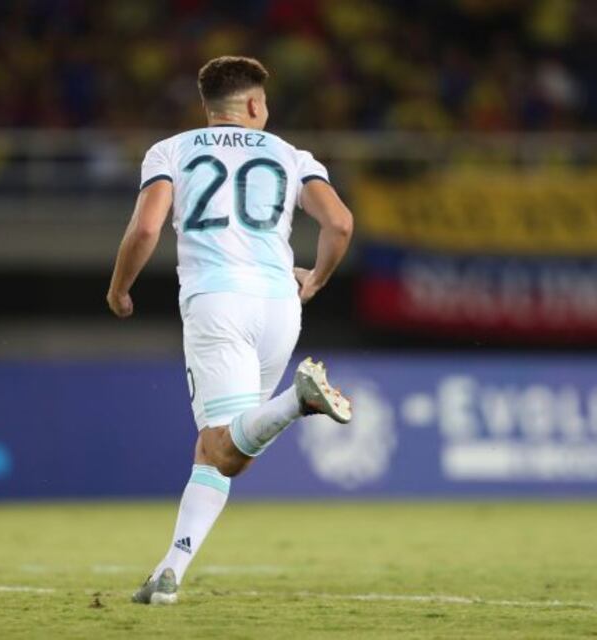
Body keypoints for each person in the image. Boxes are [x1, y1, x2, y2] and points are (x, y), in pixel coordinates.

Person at [106, 55, 354, 605]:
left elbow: (147, 226)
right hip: (279, 307)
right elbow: (339, 223)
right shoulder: (292, 155)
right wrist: (314, 278)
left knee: (224, 446)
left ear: (207, 107)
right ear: (253, 105)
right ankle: (168, 574)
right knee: (220, 450)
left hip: (217, 301)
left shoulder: (172, 150)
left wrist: (120, 286)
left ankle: (298, 402)